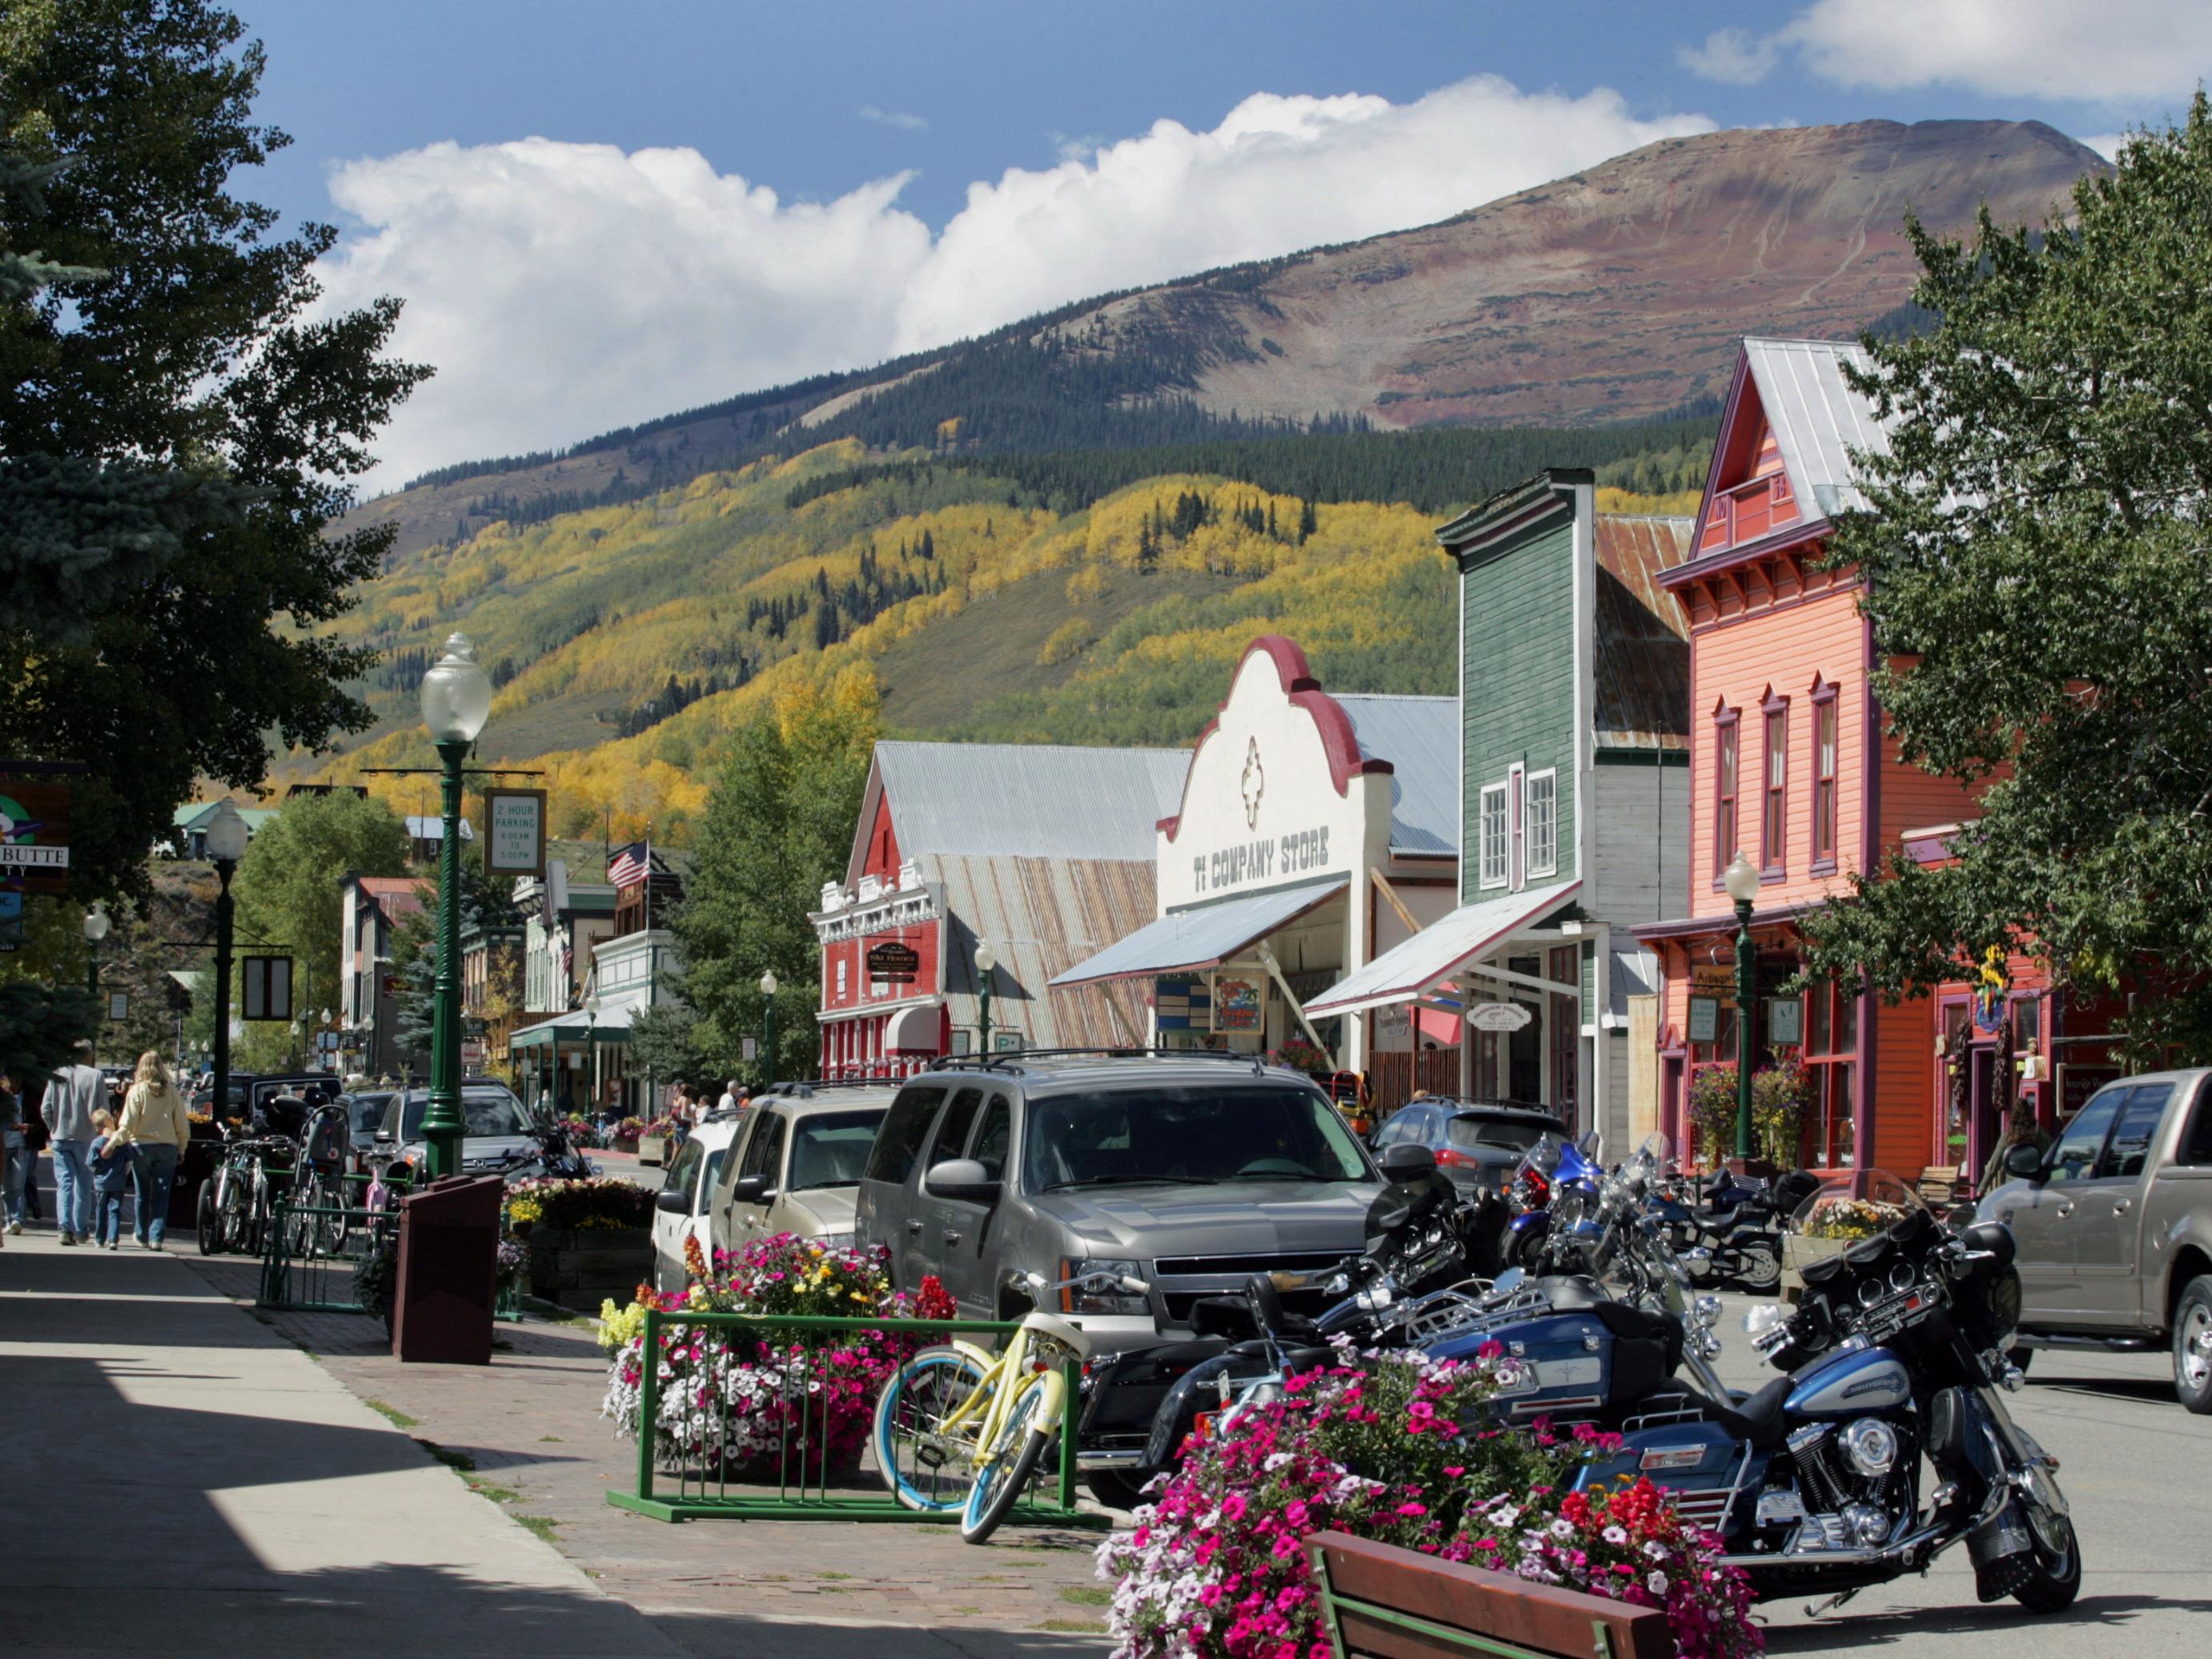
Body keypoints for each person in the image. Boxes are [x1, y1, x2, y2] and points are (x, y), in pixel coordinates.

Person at [117, 1050, 191, 1251]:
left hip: (141, 1147)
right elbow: (182, 1124)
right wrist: (182, 1147)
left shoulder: (137, 1091)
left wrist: (114, 1143)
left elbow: (128, 1124)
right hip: (167, 1147)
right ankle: (156, 1237)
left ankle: (141, 1235)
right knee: (161, 1195)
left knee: (142, 1194)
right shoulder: (172, 1092)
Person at [41, 1039, 102, 1244]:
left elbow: (46, 1108)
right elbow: (104, 1112)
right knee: (84, 1186)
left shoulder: (57, 1074)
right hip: (86, 1137)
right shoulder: (96, 1077)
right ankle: (80, 1228)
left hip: (61, 1136)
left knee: (64, 1184)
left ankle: (64, 1228)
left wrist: (54, 1127)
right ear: (89, 1055)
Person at [88, 1107, 134, 1250]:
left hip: (102, 1183)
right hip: (118, 1181)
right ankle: (113, 1239)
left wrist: (97, 1176)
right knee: (114, 1210)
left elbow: (91, 1165)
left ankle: (99, 1239)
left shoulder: (96, 1143)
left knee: (101, 1210)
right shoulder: (121, 1142)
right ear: (110, 1122)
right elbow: (129, 1161)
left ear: (97, 1127)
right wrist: (124, 1174)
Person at [0, 1070, 25, 1239]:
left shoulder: (21, 1099)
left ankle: (17, 1219)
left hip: (18, 1146)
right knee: (4, 1188)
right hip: (4, 1145)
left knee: (17, 1185)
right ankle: (8, 1220)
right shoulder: (4, 1102)